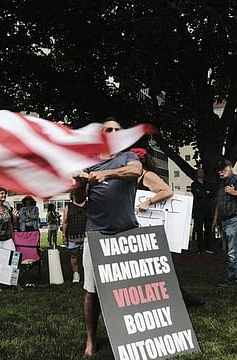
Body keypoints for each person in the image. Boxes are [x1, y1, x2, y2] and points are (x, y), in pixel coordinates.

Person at [75, 117, 142, 357]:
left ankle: (130, 336)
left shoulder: (128, 157)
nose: (113, 132)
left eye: (117, 129)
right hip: (96, 234)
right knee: (91, 290)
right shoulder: (88, 163)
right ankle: (91, 341)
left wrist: (108, 174)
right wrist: (80, 182)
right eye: (108, 129)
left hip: (127, 233)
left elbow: (136, 171)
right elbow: (79, 201)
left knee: (131, 290)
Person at [131, 147, 204, 307]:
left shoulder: (148, 176)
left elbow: (167, 191)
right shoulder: (133, 178)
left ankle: (182, 299)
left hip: (151, 227)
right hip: (140, 229)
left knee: (158, 268)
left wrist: (148, 202)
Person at [61, 186, 87, 283]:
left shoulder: (88, 205)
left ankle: (88, 274)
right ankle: (76, 274)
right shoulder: (68, 206)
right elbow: (65, 222)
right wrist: (64, 235)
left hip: (86, 235)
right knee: (74, 256)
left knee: (87, 257)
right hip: (72, 235)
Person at [190, 167, 215, 254]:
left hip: (207, 209)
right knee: (199, 229)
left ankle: (208, 247)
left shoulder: (208, 184)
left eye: (202, 171)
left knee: (208, 228)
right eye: (199, 172)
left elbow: (211, 193)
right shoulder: (194, 184)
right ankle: (200, 248)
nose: (201, 173)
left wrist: (203, 193)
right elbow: (196, 193)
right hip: (198, 209)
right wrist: (205, 193)